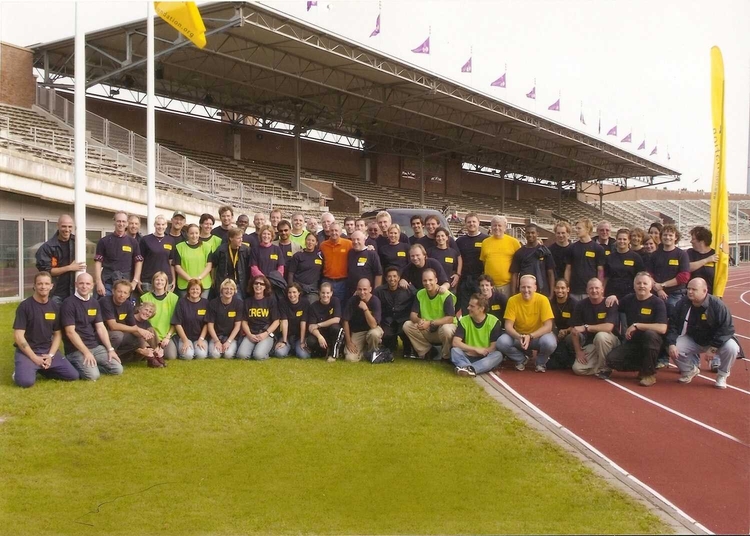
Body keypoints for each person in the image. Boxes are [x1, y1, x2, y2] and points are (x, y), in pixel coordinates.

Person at [666, 278, 740, 389]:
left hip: (716, 341)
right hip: (694, 339)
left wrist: (714, 347)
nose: (689, 292)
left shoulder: (717, 305)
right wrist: (671, 343)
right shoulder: (683, 303)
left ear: (704, 291)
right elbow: (673, 324)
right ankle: (690, 370)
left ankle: (722, 375)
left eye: (694, 289)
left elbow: (727, 328)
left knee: (732, 348)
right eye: (688, 288)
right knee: (671, 346)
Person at [597, 272, 667, 386]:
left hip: (652, 344)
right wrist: (614, 297)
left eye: (645, 283)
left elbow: (662, 328)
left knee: (650, 334)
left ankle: (649, 374)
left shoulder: (657, 302)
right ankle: (643, 367)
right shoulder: (629, 299)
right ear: (634, 285)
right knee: (611, 360)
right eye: (638, 283)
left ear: (651, 286)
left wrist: (637, 325)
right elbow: (616, 305)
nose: (642, 286)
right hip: (633, 343)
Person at [13, 271, 79, 387]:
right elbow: (18, 336)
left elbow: (58, 334)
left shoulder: (55, 307)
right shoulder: (25, 306)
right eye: (40, 284)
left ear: (51, 286)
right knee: (25, 382)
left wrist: (51, 355)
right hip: (28, 351)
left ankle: (41, 368)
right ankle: (23, 370)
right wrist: (34, 357)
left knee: (72, 375)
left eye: (46, 284)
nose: (43, 287)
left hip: (46, 351)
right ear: (34, 286)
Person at [61, 272, 123, 380]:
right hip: (75, 349)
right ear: (76, 284)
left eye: (87, 284)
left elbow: (100, 327)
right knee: (93, 376)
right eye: (81, 283)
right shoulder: (68, 303)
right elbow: (70, 332)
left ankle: (90, 366)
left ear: (92, 286)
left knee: (117, 369)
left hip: (94, 346)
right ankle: (73, 364)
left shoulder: (94, 302)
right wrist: (86, 352)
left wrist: (110, 349)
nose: (84, 286)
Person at [496, 275, 557, 372]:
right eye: (523, 287)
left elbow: (548, 326)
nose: (526, 290)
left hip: (538, 337)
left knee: (550, 343)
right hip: (519, 337)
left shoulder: (543, 300)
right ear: (519, 287)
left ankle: (540, 363)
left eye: (529, 287)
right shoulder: (512, 300)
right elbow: (508, 326)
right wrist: (519, 336)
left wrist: (530, 336)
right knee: (501, 342)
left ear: (535, 288)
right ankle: (521, 359)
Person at [402, 269, 457, 361]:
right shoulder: (420, 293)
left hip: (442, 329)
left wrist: (430, 323)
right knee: (407, 325)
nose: (427, 283)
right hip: (427, 328)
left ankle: (446, 356)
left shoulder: (446, 295)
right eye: (425, 280)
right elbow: (413, 315)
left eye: (430, 280)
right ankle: (429, 351)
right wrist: (419, 321)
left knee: (446, 329)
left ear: (436, 280)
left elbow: (450, 318)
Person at [570, 278, 619, 376]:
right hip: (592, 343)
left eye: (597, 288)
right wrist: (578, 351)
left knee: (601, 336)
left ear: (602, 289)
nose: (594, 291)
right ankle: (599, 368)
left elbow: (608, 327)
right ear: (587, 290)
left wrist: (586, 327)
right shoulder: (581, 305)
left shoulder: (609, 303)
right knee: (577, 369)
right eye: (591, 288)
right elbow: (574, 330)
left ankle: (605, 368)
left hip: (610, 341)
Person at [100, 279, 154, 361]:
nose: (122, 295)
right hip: (101, 334)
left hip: (117, 335)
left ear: (129, 295)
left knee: (138, 337)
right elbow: (113, 326)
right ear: (113, 291)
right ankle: (106, 358)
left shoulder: (128, 304)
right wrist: (138, 329)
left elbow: (133, 326)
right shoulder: (105, 301)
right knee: (118, 335)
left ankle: (151, 354)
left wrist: (144, 335)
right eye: (119, 291)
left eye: (125, 293)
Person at [451, 293, 504, 377]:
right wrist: (476, 349)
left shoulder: (493, 322)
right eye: (469, 305)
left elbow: (493, 347)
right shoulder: (464, 320)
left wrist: (480, 352)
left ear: (481, 309)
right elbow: (455, 342)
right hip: (469, 354)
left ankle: (468, 368)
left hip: (485, 356)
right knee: (454, 351)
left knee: (498, 355)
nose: (468, 308)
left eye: (472, 306)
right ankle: (471, 369)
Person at [35, 214, 84, 304]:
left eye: (70, 227)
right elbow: (46, 272)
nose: (67, 230)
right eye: (64, 226)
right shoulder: (47, 247)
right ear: (57, 226)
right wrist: (70, 267)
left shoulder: (78, 242)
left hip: (75, 292)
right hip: (55, 293)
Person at [94, 211, 143, 297]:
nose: (121, 224)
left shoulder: (133, 242)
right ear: (114, 222)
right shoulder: (104, 241)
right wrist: (98, 282)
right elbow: (98, 262)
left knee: (123, 309)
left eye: (123, 221)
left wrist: (134, 282)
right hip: (107, 282)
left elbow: (138, 261)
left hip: (125, 283)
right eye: (118, 221)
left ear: (127, 223)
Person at [374, 266, 416, 358]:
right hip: (388, 321)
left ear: (399, 278)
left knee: (405, 330)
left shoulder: (408, 289)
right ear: (386, 278)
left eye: (394, 276)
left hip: (403, 320)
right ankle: (391, 346)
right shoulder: (379, 291)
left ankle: (408, 349)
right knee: (388, 340)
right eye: (389, 276)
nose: (392, 279)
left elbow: (418, 299)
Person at [237, 275, 279, 360]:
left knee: (258, 356)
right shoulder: (247, 302)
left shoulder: (271, 301)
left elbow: (276, 321)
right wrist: (249, 334)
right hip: (251, 334)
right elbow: (244, 321)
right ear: (252, 285)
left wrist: (265, 334)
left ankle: (266, 351)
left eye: (261, 284)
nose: (258, 286)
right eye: (256, 283)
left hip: (266, 333)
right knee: (242, 355)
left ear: (265, 287)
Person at [140, 271, 180, 360]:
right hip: (151, 335)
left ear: (166, 282)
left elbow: (176, 320)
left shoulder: (173, 298)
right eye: (157, 280)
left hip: (167, 335)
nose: (159, 282)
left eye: (162, 280)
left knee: (171, 356)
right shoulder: (145, 298)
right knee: (150, 355)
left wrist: (168, 337)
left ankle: (159, 349)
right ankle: (153, 349)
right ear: (153, 281)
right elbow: (142, 320)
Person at [342, 278, 383, 362]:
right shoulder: (352, 301)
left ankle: (373, 353)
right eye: (359, 289)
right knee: (350, 359)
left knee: (374, 334)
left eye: (365, 289)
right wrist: (349, 342)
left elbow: (373, 325)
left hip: (372, 330)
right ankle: (364, 352)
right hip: (358, 332)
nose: (362, 292)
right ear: (356, 289)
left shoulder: (375, 301)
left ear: (370, 289)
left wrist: (365, 309)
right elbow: (345, 321)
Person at [479, 215, 521, 296]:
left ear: (505, 227)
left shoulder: (514, 242)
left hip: (507, 285)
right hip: (489, 286)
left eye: (499, 225)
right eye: (494, 225)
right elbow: (484, 262)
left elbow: (518, 263)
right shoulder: (485, 242)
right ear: (491, 227)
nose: (497, 228)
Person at [509, 223, 555, 296]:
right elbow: (514, 274)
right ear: (525, 234)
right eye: (528, 233)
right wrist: (513, 293)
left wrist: (552, 293)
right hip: (525, 291)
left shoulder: (544, 251)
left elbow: (550, 273)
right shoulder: (519, 253)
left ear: (537, 234)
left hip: (542, 290)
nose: (530, 235)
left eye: (533, 233)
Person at [565, 218, 605, 301]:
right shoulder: (571, 248)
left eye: (579, 228)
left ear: (587, 229)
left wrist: (600, 288)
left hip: (591, 291)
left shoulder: (598, 248)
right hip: (574, 291)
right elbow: (568, 269)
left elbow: (600, 270)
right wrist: (566, 286)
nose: (576, 230)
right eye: (576, 228)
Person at [455, 212, 488, 314]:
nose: (471, 224)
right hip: (464, 279)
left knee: (480, 305)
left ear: (479, 223)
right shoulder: (460, 241)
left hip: (479, 278)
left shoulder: (486, 239)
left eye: (474, 221)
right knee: (466, 307)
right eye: (469, 222)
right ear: (465, 224)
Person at [171, 278, 209, 360]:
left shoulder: (205, 303)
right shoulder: (182, 302)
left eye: (197, 289)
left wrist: (201, 339)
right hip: (184, 337)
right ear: (188, 290)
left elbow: (207, 323)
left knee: (201, 355)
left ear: (201, 291)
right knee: (188, 356)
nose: (195, 291)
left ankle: (195, 348)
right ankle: (187, 349)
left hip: (199, 337)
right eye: (192, 289)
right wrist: (185, 340)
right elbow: (177, 323)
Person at [205, 278, 244, 359]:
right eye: (226, 288)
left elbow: (237, 326)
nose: (228, 291)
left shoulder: (239, 304)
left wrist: (229, 342)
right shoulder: (213, 303)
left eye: (231, 289)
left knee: (228, 355)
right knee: (215, 355)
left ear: (234, 291)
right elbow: (210, 325)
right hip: (216, 336)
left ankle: (230, 347)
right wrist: (216, 341)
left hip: (231, 338)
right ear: (221, 290)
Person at [305, 282, 344, 361]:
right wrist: (319, 337)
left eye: (327, 293)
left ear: (331, 293)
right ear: (319, 293)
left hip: (333, 332)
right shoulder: (313, 306)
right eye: (323, 293)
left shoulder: (335, 301)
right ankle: (324, 352)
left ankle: (333, 354)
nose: (325, 295)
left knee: (336, 328)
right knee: (310, 341)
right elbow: (311, 327)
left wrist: (319, 325)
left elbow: (337, 319)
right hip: (321, 334)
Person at [138, 215, 176, 294]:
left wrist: (173, 279)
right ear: (154, 225)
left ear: (166, 226)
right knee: (147, 305)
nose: (160, 227)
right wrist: (138, 278)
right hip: (148, 279)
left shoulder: (170, 240)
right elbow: (140, 261)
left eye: (163, 224)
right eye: (158, 224)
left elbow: (171, 262)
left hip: (165, 281)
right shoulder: (145, 240)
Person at [546, 278, 578, 370]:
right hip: (556, 333)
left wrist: (566, 331)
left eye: (563, 288)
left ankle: (573, 356)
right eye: (557, 288)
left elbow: (577, 325)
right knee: (551, 366)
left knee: (571, 338)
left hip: (571, 333)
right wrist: (554, 333)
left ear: (568, 289)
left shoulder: (575, 304)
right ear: (554, 289)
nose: (560, 290)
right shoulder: (550, 303)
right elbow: (548, 322)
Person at [603, 228, 645, 300]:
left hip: (629, 294)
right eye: (619, 239)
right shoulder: (609, 257)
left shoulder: (636, 257)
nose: (622, 241)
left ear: (629, 240)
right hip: (611, 293)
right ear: (616, 240)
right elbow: (606, 277)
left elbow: (640, 277)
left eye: (624, 239)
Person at [174, 224, 214, 299]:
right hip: (185, 285)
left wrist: (199, 278)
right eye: (191, 233)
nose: (194, 235)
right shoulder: (179, 247)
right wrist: (190, 280)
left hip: (203, 284)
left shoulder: (207, 247)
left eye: (196, 233)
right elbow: (177, 267)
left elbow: (209, 265)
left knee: (201, 308)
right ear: (187, 234)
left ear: (199, 233)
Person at [210, 228, 251, 299]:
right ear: (231, 238)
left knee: (239, 304)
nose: (241, 240)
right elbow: (213, 264)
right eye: (238, 238)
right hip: (224, 282)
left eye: (241, 237)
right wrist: (213, 280)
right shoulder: (221, 250)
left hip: (240, 283)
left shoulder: (246, 250)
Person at [274, 283, 311, 359]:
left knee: (304, 356)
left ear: (299, 293)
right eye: (289, 292)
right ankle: (289, 347)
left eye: (294, 292)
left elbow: (303, 322)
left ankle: (294, 349)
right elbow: (284, 322)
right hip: (287, 336)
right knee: (279, 353)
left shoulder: (305, 303)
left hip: (298, 337)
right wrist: (284, 341)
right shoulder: (282, 302)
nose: (292, 295)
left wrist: (302, 341)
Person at [319, 222, 352, 303]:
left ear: (341, 232)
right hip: (327, 280)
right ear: (329, 231)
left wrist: (369, 247)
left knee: (341, 305)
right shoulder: (323, 245)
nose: (334, 233)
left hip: (342, 282)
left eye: (336, 230)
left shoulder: (348, 244)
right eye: (332, 230)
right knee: (325, 304)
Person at [288, 233, 323, 303]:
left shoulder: (320, 256)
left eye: (313, 240)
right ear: (305, 241)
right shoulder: (298, 255)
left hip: (313, 289)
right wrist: (291, 287)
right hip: (299, 288)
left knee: (312, 307)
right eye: (308, 240)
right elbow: (291, 273)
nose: (310, 242)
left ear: (316, 243)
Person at [346, 231, 382, 296]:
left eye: (358, 239)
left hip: (366, 293)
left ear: (364, 240)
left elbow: (378, 273)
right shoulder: (350, 253)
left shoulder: (371, 254)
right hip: (351, 292)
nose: (355, 242)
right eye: (353, 240)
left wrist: (376, 291)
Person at [428, 226, 462, 291]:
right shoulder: (430, 252)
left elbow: (455, 268)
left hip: (449, 286)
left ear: (447, 238)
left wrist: (457, 275)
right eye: (438, 236)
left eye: (442, 236)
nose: (440, 238)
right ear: (435, 238)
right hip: (433, 286)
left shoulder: (453, 253)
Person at [687, 226, 718, 295]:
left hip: (709, 295)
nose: (691, 241)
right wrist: (706, 260)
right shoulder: (690, 253)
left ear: (701, 241)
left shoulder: (715, 254)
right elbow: (687, 267)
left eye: (693, 239)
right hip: (691, 294)